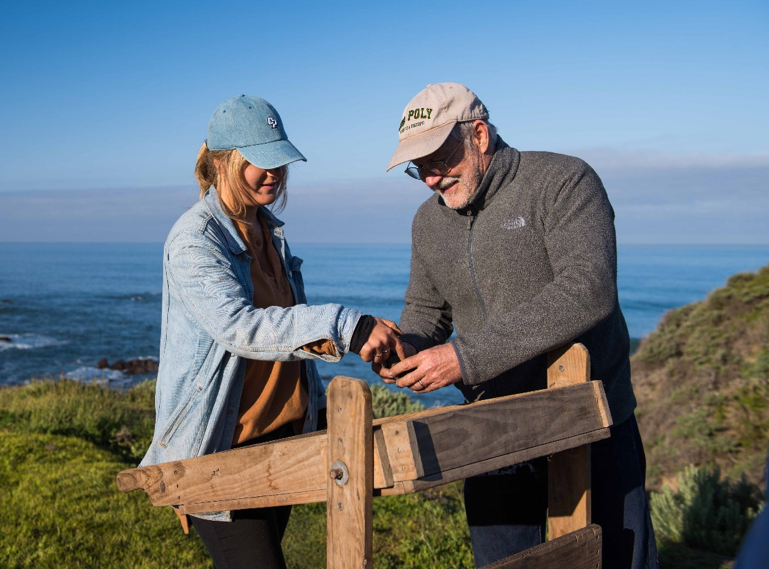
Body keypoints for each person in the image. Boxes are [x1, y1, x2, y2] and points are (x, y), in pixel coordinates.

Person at [375, 83, 659, 569]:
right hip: (493, 429)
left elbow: (587, 289)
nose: (429, 179)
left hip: (593, 418)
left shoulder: (563, 180)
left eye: (437, 160)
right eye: (417, 167)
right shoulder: (428, 222)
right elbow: (427, 312)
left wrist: (464, 359)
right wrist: (403, 350)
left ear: (479, 135)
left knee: (621, 561)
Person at [140, 94, 404, 569]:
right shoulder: (194, 239)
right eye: (259, 162)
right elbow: (240, 327)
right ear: (223, 162)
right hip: (223, 445)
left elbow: (287, 329)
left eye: (279, 160)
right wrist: (349, 324)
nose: (274, 173)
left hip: (280, 435)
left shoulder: (267, 229)